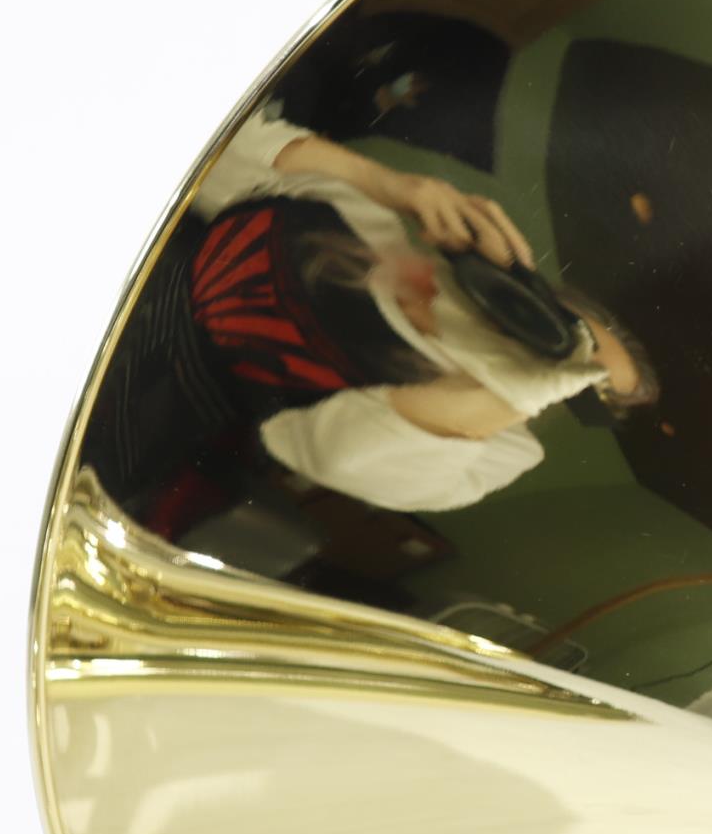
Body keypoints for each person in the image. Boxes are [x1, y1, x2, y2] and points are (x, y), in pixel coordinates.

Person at [83, 104, 651, 525]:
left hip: (103, 445)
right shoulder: (368, 221)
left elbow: (342, 454)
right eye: (566, 334)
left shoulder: (484, 458)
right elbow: (199, 145)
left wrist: (509, 392)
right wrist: (388, 185)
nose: (562, 360)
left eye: (581, 382)